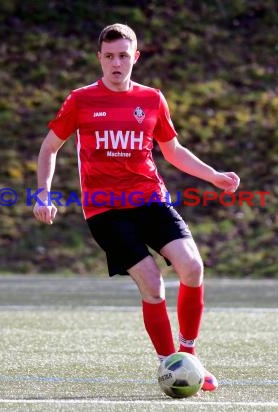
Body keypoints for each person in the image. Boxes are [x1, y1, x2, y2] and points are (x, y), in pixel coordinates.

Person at [33, 23, 240, 392]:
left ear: (135, 57)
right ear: (100, 58)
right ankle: (169, 365)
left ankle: (188, 354)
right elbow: (50, 147)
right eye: (109, 56)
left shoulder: (151, 99)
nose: (116, 63)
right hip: (105, 210)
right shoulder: (81, 100)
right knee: (153, 282)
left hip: (150, 199)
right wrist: (43, 193)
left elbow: (172, 151)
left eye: (123, 56)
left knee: (192, 266)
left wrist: (212, 176)